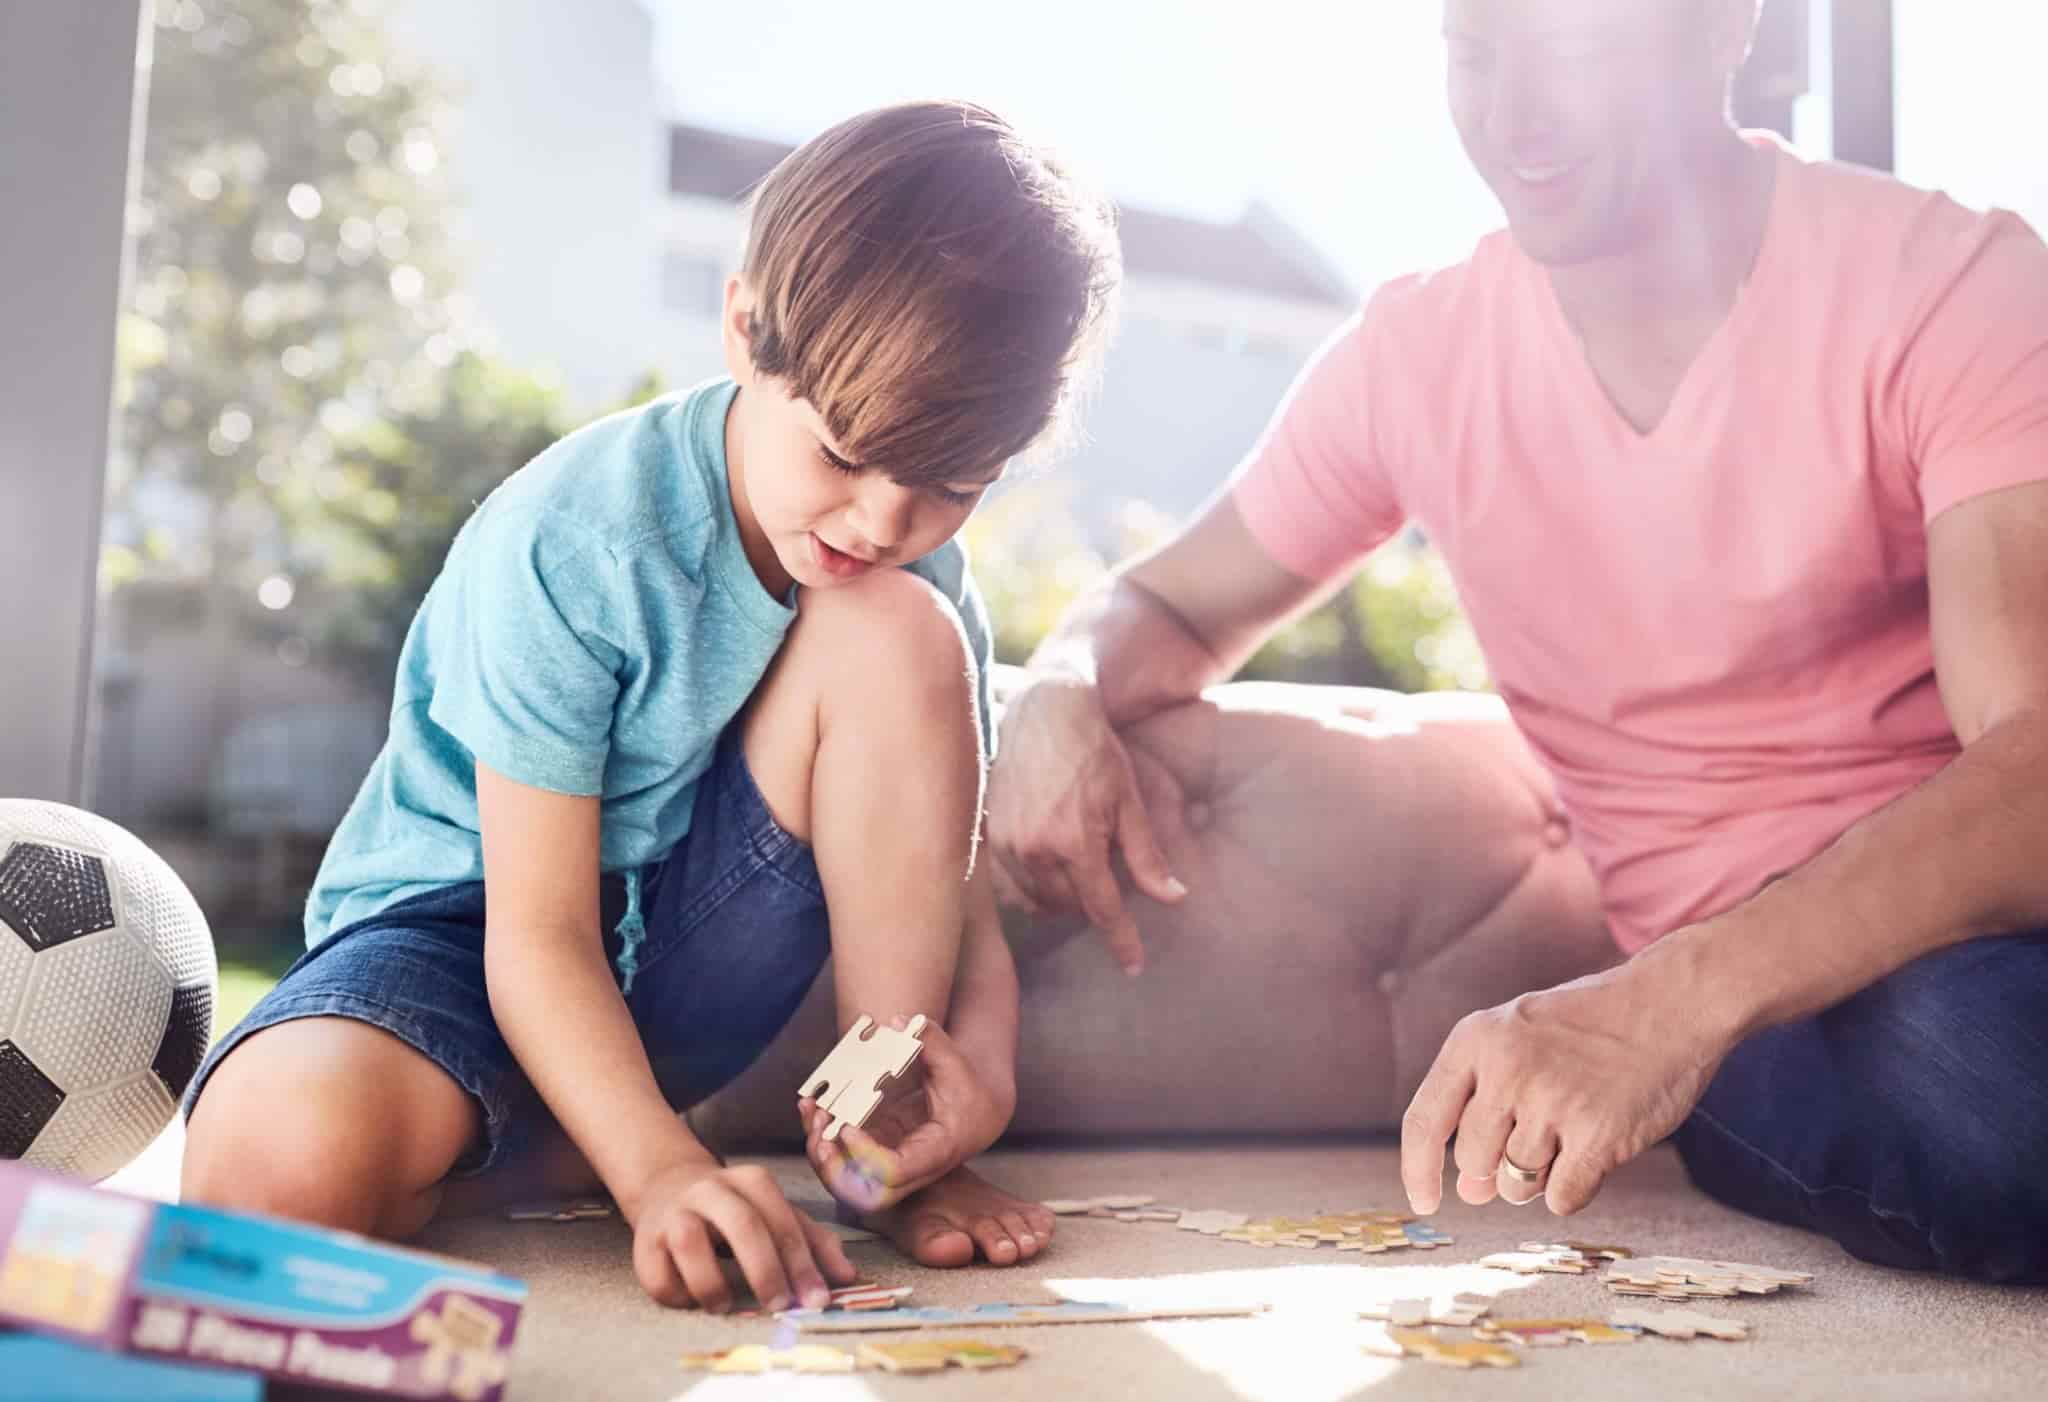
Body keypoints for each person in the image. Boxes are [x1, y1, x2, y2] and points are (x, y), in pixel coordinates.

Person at [989, 0, 2048, 1284]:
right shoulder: (1412, 357)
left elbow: (2030, 777)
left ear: (1721, 30)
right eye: (1475, 51)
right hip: (1786, 1031)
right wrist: (1053, 688)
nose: (1513, 116)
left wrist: (1660, 1002)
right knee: (1988, 1071)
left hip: (1865, 951)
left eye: (1576, 45)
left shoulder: (1946, 282)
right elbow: (1167, 607)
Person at [183, 99, 1120, 1312]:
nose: (883, 522)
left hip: (689, 960)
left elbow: (960, 894)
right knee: (268, 1165)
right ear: (743, 330)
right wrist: (661, 1170)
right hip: (463, 945)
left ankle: (877, 1148)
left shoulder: (911, 580)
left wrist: (971, 1082)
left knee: (897, 630)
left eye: (949, 485)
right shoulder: (575, 537)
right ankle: (550, 1138)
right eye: (841, 452)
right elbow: (539, 935)